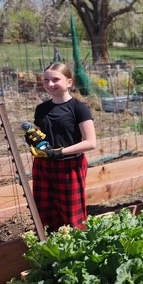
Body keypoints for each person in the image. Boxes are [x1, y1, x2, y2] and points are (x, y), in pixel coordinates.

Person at [27, 62, 97, 232]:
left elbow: (90, 142)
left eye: (55, 80)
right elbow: (40, 135)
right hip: (43, 166)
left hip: (69, 167)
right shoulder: (41, 109)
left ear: (69, 82)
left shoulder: (79, 109)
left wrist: (59, 153)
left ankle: (75, 253)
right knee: (45, 213)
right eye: (46, 80)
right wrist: (32, 139)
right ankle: (50, 252)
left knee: (72, 216)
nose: (50, 84)